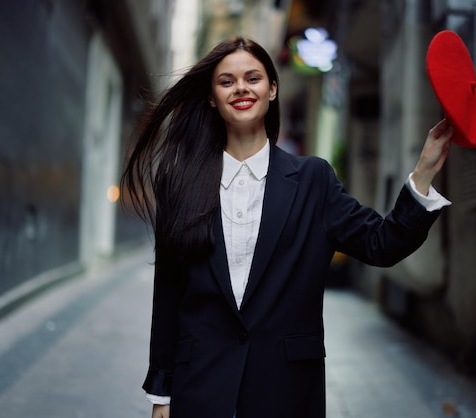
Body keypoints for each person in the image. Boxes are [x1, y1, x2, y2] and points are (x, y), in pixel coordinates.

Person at [121, 36, 453, 418]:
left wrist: (423, 172)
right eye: (226, 81)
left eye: (253, 78)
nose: (241, 88)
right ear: (212, 97)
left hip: (287, 389)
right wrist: (161, 393)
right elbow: (169, 291)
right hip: (201, 385)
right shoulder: (180, 181)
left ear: (272, 89)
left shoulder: (313, 180)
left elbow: (383, 243)